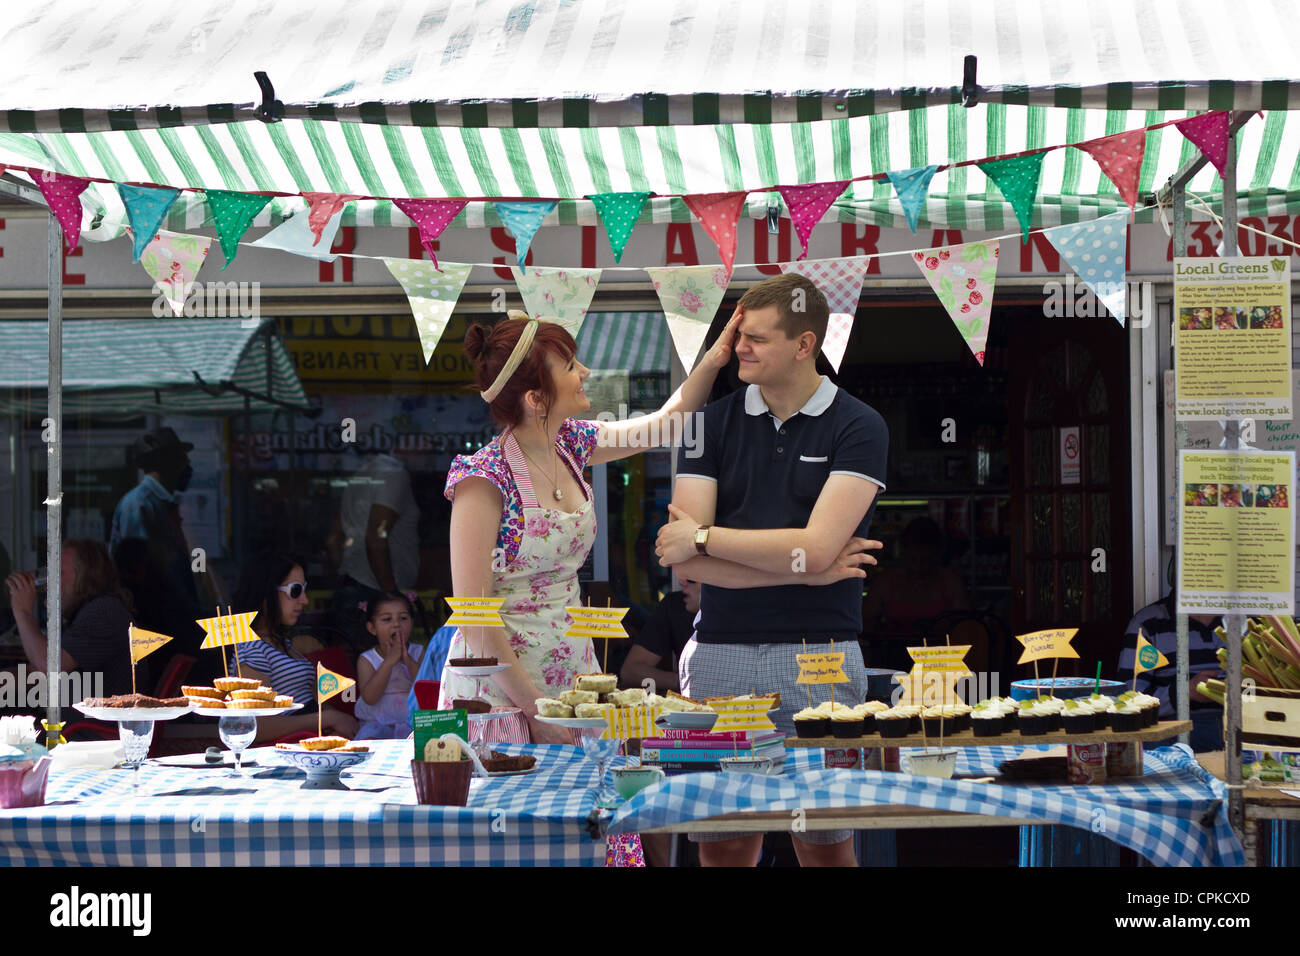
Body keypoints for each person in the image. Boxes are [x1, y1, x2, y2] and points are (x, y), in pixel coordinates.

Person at [655, 272, 888, 868]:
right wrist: (807, 570)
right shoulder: (708, 421)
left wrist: (708, 536)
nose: (739, 349)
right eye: (738, 336)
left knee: (825, 844)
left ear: (805, 344)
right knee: (725, 845)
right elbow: (690, 564)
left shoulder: (859, 424)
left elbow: (805, 545)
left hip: (823, 654)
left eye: (756, 337)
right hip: (719, 651)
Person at [441, 307, 753, 746]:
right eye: (570, 366)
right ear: (537, 398)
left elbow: (666, 423)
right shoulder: (483, 479)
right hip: (501, 690)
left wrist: (714, 359)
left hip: (573, 672)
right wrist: (537, 713)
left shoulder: (572, 443)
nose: (585, 371)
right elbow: (474, 617)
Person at [108, 426, 210, 681]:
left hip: (173, 617)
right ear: (163, 462)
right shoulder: (139, 505)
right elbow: (141, 576)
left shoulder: (162, 505)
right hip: (156, 625)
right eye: (181, 457)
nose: (187, 464)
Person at [232, 553, 358, 743]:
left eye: (304, 590)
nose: (305, 600)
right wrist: (326, 719)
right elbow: (257, 725)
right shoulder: (252, 650)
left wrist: (336, 719)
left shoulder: (282, 643)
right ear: (267, 593)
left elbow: (312, 699)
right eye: (295, 590)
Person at [5, 539, 134, 704]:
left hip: (91, 728)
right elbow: (40, 669)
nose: (49, 581)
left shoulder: (104, 613)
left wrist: (22, 611)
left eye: (58, 573)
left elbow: (48, 668)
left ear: (87, 577)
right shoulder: (86, 613)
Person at [329, 447, 422, 651]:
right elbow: (376, 537)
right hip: (376, 593)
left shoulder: (360, 474)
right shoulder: (393, 475)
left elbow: (334, 539)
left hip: (352, 585)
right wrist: (391, 596)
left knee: (356, 673)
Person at [1117, 584, 1223, 752]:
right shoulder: (1149, 623)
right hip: (1173, 734)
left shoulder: (1246, 622)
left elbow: (1266, 693)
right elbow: (1129, 700)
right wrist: (1184, 692)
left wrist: (1241, 692)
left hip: (1239, 729)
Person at [861, 517, 971, 671]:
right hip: (893, 659)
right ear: (904, 553)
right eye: (914, 560)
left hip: (941, 659)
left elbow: (966, 626)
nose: (919, 567)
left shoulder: (950, 582)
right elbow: (866, 622)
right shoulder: (886, 582)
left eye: (925, 560)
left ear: (937, 555)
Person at [354, 592, 423, 739]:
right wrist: (389, 662)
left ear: (411, 622)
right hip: (378, 724)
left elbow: (425, 689)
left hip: (412, 723)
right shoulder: (367, 659)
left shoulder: (419, 652)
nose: (396, 624)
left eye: (403, 618)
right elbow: (370, 698)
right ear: (372, 628)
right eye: (387, 619)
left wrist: (408, 661)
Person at [619, 576, 700, 693]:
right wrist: (686, 682)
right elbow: (630, 671)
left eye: (691, 578)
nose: (682, 582)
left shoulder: (735, 610)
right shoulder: (675, 605)